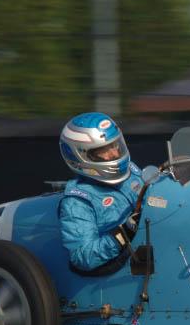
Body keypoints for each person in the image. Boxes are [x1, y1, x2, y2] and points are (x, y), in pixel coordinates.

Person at [58, 112, 145, 272]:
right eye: (104, 150)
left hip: (149, 244)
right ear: (80, 156)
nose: (114, 153)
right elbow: (83, 257)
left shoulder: (131, 170)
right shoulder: (76, 202)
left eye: (114, 145)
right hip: (124, 268)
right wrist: (122, 235)